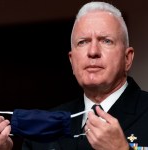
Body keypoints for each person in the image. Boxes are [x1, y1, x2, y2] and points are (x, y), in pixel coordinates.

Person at [22, 1, 148, 150]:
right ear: (72, 61)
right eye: (83, 42)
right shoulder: (44, 125)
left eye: (106, 41)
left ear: (127, 58)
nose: (93, 51)